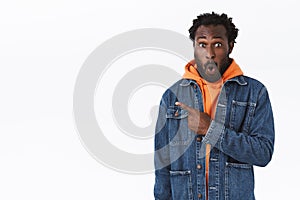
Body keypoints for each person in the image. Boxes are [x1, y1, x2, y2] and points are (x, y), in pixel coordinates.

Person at [154, 12, 275, 200]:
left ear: (230, 47)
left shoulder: (254, 92)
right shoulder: (172, 96)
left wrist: (211, 129)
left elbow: (263, 153)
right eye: (202, 44)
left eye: (217, 44)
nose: (209, 53)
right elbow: (163, 163)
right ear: (194, 47)